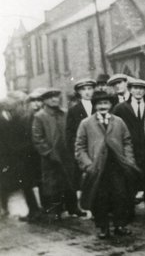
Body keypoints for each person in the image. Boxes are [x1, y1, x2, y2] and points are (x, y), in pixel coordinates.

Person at [75, 91, 140, 239]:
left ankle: (120, 225)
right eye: (99, 104)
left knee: (120, 195)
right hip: (98, 167)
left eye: (106, 103)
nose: (103, 106)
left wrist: (129, 160)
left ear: (111, 105)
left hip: (117, 166)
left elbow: (127, 141)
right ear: (95, 106)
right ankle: (103, 227)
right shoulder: (86, 123)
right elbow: (80, 147)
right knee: (100, 198)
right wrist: (88, 165)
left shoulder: (118, 121)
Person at [112, 78, 145, 219]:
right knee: (129, 179)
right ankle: (128, 210)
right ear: (130, 90)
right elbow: (115, 129)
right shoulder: (120, 108)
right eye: (135, 88)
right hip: (130, 149)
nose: (138, 91)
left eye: (141, 88)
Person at [32, 88, 85, 219]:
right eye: (50, 98)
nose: (54, 100)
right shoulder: (40, 116)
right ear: (44, 100)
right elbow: (37, 138)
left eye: (56, 97)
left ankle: (73, 207)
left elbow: (72, 131)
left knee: (70, 181)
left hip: (66, 154)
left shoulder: (65, 113)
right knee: (53, 184)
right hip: (51, 156)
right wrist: (48, 153)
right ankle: (56, 210)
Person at [0, 91, 42, 222]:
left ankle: (35, 211)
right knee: (27, 184)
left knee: (28, 184)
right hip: (19, 156)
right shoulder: (20, 116)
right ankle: (34, 210)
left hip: (24, 155)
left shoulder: (24, 117)